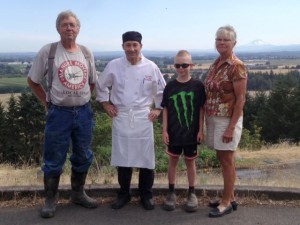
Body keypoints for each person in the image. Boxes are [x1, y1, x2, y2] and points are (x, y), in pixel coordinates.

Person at [27, 10, 98, 218]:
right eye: (65, 24)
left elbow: (91, 81)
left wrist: (81, 98)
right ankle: (50, 199)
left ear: (78, 29)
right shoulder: (48, 51)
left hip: (83, 113)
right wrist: (46, 101)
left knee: (82, 154)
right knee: (53, 157)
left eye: (72, 25)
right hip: (58, 114)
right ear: (58, 28)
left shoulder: (86, 52)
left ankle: (78, 193)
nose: (69, 28)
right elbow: (33, 80)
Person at [96, 31, 166, 210]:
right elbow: (101, 85)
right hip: (121, 115)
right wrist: (106, 104)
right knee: (123, 157)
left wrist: (158, 108)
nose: (132, 49)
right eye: (128, 45)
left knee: (146, 158)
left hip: (143, 116)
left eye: (135, 45)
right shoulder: (114, 65)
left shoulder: (151, 67)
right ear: (123, 47)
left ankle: (146, 194)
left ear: (140, 46)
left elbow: (161, 91)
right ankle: (124, 194)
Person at [204, 25, 247, 217]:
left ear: (234, 43)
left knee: (227, 160)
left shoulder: (236, 65)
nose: (221, 42)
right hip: (213, 117)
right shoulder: (216, 63)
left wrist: (230, 127)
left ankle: (226, 202)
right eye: (218, 39)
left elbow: (241, 99)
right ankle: (231, 196)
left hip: (227, 119)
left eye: (226, 40)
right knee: (222, 158)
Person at [161, 50, 206, 212]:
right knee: (172, 162)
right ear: (174, 66)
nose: (181, 68)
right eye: (178, 65)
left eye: (185, 65)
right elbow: (165, 109)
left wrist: (201, 130)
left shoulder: (198, 86)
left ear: (191, 66)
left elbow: (201, 110)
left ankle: (192, 192)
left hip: (191, 133)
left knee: (190, 162)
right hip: (173, 132)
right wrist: (164, 130)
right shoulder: (170, 86)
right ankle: (171, 192)